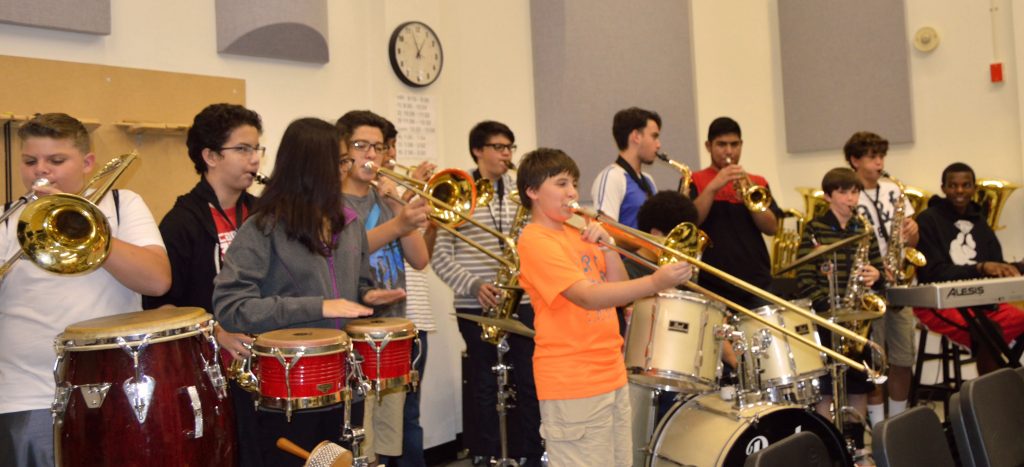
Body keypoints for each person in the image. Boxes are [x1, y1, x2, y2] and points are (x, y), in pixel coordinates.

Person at [213, 117, 404, 467]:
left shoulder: (349, 223)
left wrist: (369, 298)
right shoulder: (263, 226)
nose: (346, 170)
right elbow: (232, 307)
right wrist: (320, 305)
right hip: (285, 388)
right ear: (313, 165)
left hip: (342, 379)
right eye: (341, 161)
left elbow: (358, 286)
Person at [0, 112, 172, 466]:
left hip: (115, 389)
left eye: (56, 160)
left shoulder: (123, 205)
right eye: (30, 161)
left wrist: (83, 228)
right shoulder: (6, 220)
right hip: (25, 395)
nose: (40, 170)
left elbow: (157, 280)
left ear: (87, 162)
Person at [516, 147, 692, 467]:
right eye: (561, 183)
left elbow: (618, 291)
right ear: (532, 191)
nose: (572, 193)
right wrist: (655, 282)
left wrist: (609, 248)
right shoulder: (535, 239)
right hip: (572, 381)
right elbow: (586, 296)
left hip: (610, 372)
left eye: (574, 184)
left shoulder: (577, 231)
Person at [142, 103, 265, 466]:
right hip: (213, 369)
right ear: (210, 156)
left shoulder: (263, 214)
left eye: (257, 148)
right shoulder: (181, 222)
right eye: (242, 149)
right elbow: (160, 307)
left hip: (265, 362)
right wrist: (216, 331)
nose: (254, 160)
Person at [431, 120, 543, 465]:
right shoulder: (457, 194)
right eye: (498, 147)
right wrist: (474, 285)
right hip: (474, 303)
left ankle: (529, 451)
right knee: (483, 381)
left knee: (528, 378)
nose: (506, 154)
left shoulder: (519, 195)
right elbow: (439, 257)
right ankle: (486, 452)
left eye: (510, 147)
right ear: (478, 150)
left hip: (520, 301)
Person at [337, 110, 430, 465]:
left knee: (394, 437)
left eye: (377, 147)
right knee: (360, 437)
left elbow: (420, 259)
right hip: (352, 334)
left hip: (393, 330)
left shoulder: (383, 199)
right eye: (361, 146)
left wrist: (396, 205)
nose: (371, 156)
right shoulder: (333, 202)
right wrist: (397, 225)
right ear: (343, 151)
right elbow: (346, 249)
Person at [795, 167, 883, 462]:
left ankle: (856, 446)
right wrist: (829, 310)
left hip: (856, 321)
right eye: (844, 192)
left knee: (858, 385)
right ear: (828, 196)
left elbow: (878, 270)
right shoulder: (814, 229)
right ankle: (829, 443)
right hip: (827, 319)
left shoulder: (863, 228)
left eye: (855, 192)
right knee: (826, 388)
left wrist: (875, 274)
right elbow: (804, 278)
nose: (851, 198)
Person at [912, 162, 1024, 375]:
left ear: (974, 188)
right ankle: (989, 399)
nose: (960, 191)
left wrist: (1012, 268)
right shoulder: (928, 220)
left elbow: (995, 264)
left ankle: (1009, 381)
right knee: (989, 330)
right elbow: (932, 272)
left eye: (966, 185)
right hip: (940, 304)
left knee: (995, 328)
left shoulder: (979, 220)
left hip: (982, 302)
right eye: (953, 185)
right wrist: (980, 268)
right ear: (943, 188)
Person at [843, 131, 920, 426]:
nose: (879, 162)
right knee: (874, 363)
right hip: (868, 287)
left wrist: (913, 234)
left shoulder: (894, 190)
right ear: (855, 160)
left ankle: (898, 423)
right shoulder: (848, 194)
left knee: (902, 358)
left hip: (898, 282)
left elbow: (913, 241)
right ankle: (877, 428)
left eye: (881, 156)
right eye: (872, 156)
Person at [380, 117, 437, 467]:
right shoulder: (380, 198)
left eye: (390, 146)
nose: (390, 155)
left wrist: (422, 211)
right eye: (386, 147)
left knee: (409, 415)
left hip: (416, 316)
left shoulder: (397, 198)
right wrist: (402, 199)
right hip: (383, 320)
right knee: (381, 421)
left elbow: (422, 258)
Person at [690, 117, 782, 309]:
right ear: (708, 146)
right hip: (712, 281)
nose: (729, 151)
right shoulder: (695, 180)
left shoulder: (758, 182)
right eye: (721, 145)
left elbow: (772, 228)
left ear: (741, 145)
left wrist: (750, 199)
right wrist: (713, 187)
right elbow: (691, 222)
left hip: (755, 281)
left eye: (734, 144)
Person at [591, 107, 660, 229]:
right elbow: (607, 231)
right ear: (636, 136)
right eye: (654, 136)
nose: (658, 145)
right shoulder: (611, 177)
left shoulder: (649, 180)